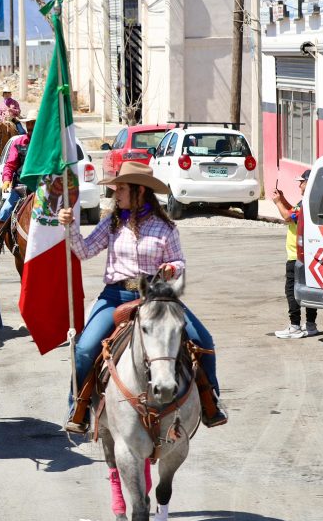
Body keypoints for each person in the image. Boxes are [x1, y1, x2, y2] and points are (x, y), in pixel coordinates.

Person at [58, 161, 227, 433]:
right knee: (84, 349)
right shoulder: (111, 224)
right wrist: (70, 228)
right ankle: (77, 408)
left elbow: (179, 261)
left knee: (202, 339)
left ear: (139, 191)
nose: (116, 194)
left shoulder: (166, 228)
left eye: (121, 188)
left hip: (156, 297)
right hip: (115, 295)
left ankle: (211, 403)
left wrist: (172, 268)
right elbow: (85, 251)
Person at [0, 109, 39, 266]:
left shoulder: (45, 145)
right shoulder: (18, 143)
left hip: (42, 189)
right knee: (5, 211)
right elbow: (10, 164)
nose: (30, 127)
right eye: (28, 124)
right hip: (21, 188)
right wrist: (6, 180)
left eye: (33, 124)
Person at [273, 170, 317, 338]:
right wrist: (282, 198)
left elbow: (288, 216)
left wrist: (277, 203)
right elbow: (293, 210)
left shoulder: (307, 202)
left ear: (309, 182)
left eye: (302, 182)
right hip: (307, 254)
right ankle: (311, 324)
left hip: (297, 255)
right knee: (309, 288)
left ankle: (295, 326)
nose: (299, 185)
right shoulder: (308, 201)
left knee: (291, 290)